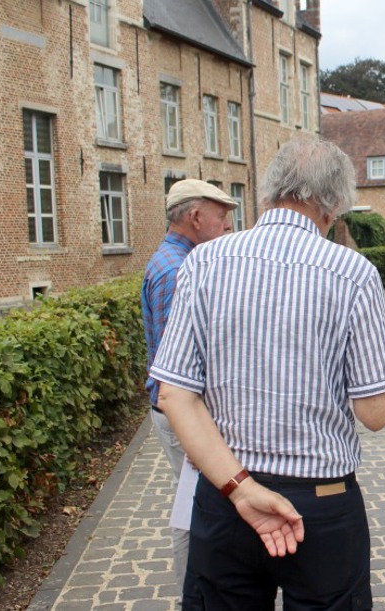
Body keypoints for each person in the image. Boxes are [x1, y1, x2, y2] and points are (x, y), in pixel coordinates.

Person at [151, 139, 385, 609]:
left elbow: (174, 395)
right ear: (333, 207)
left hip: (227, 497)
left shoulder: (204, 262)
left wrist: (241, 490)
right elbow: (375, 411)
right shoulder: (353, 273)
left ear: (268, 193)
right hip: (321, 504)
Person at [140, 178, 237, 591]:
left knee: (192, 501)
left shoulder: (174, 261)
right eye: (222, 216)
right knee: (195, 506)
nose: (228, 225)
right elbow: (175, 367)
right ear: (196, 217)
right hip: (182, 414)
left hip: (178, 412)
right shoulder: (178, 271)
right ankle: (191, 593)